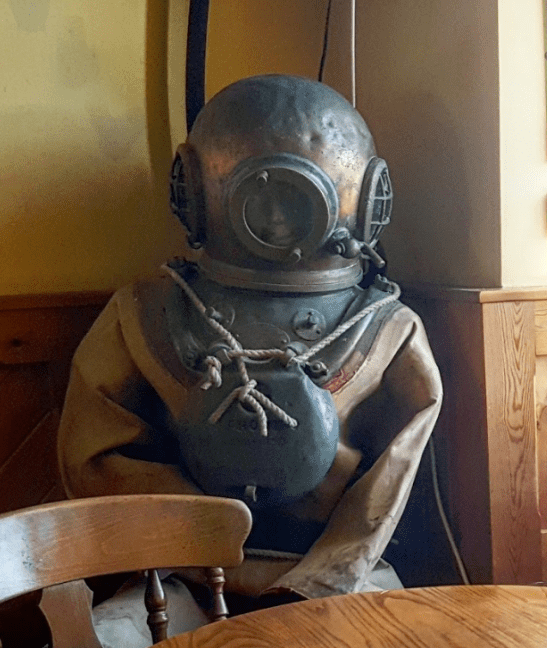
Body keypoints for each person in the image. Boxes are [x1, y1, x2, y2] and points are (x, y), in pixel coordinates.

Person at [57, 74, 443, 607]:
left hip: (337, 582)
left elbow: (386, 485)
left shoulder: (387, 328)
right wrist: (202, 548)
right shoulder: (145, 314)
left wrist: (319, 581)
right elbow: (98, 460)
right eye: (266, 199)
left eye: (295, 200)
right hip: (176, 578)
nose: (278, 218)